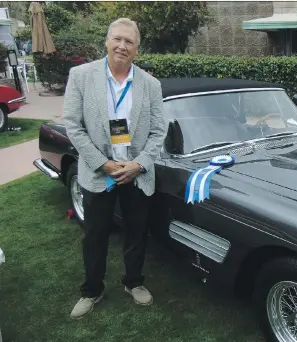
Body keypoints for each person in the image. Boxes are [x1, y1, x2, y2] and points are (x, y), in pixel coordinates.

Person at [62, 17, 166, 320]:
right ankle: (92, 290)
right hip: (98, 174)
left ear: (136, 49)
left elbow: (158, 131)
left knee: (137, 233)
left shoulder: (151, 85)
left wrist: (139, 164)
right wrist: (102, 163)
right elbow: (73, 126)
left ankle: (133, 282)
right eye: (117, 39)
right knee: (94, 235)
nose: (122, 45)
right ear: (107, 41)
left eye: (129, 41)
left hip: (136, 173)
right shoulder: (81, 76)